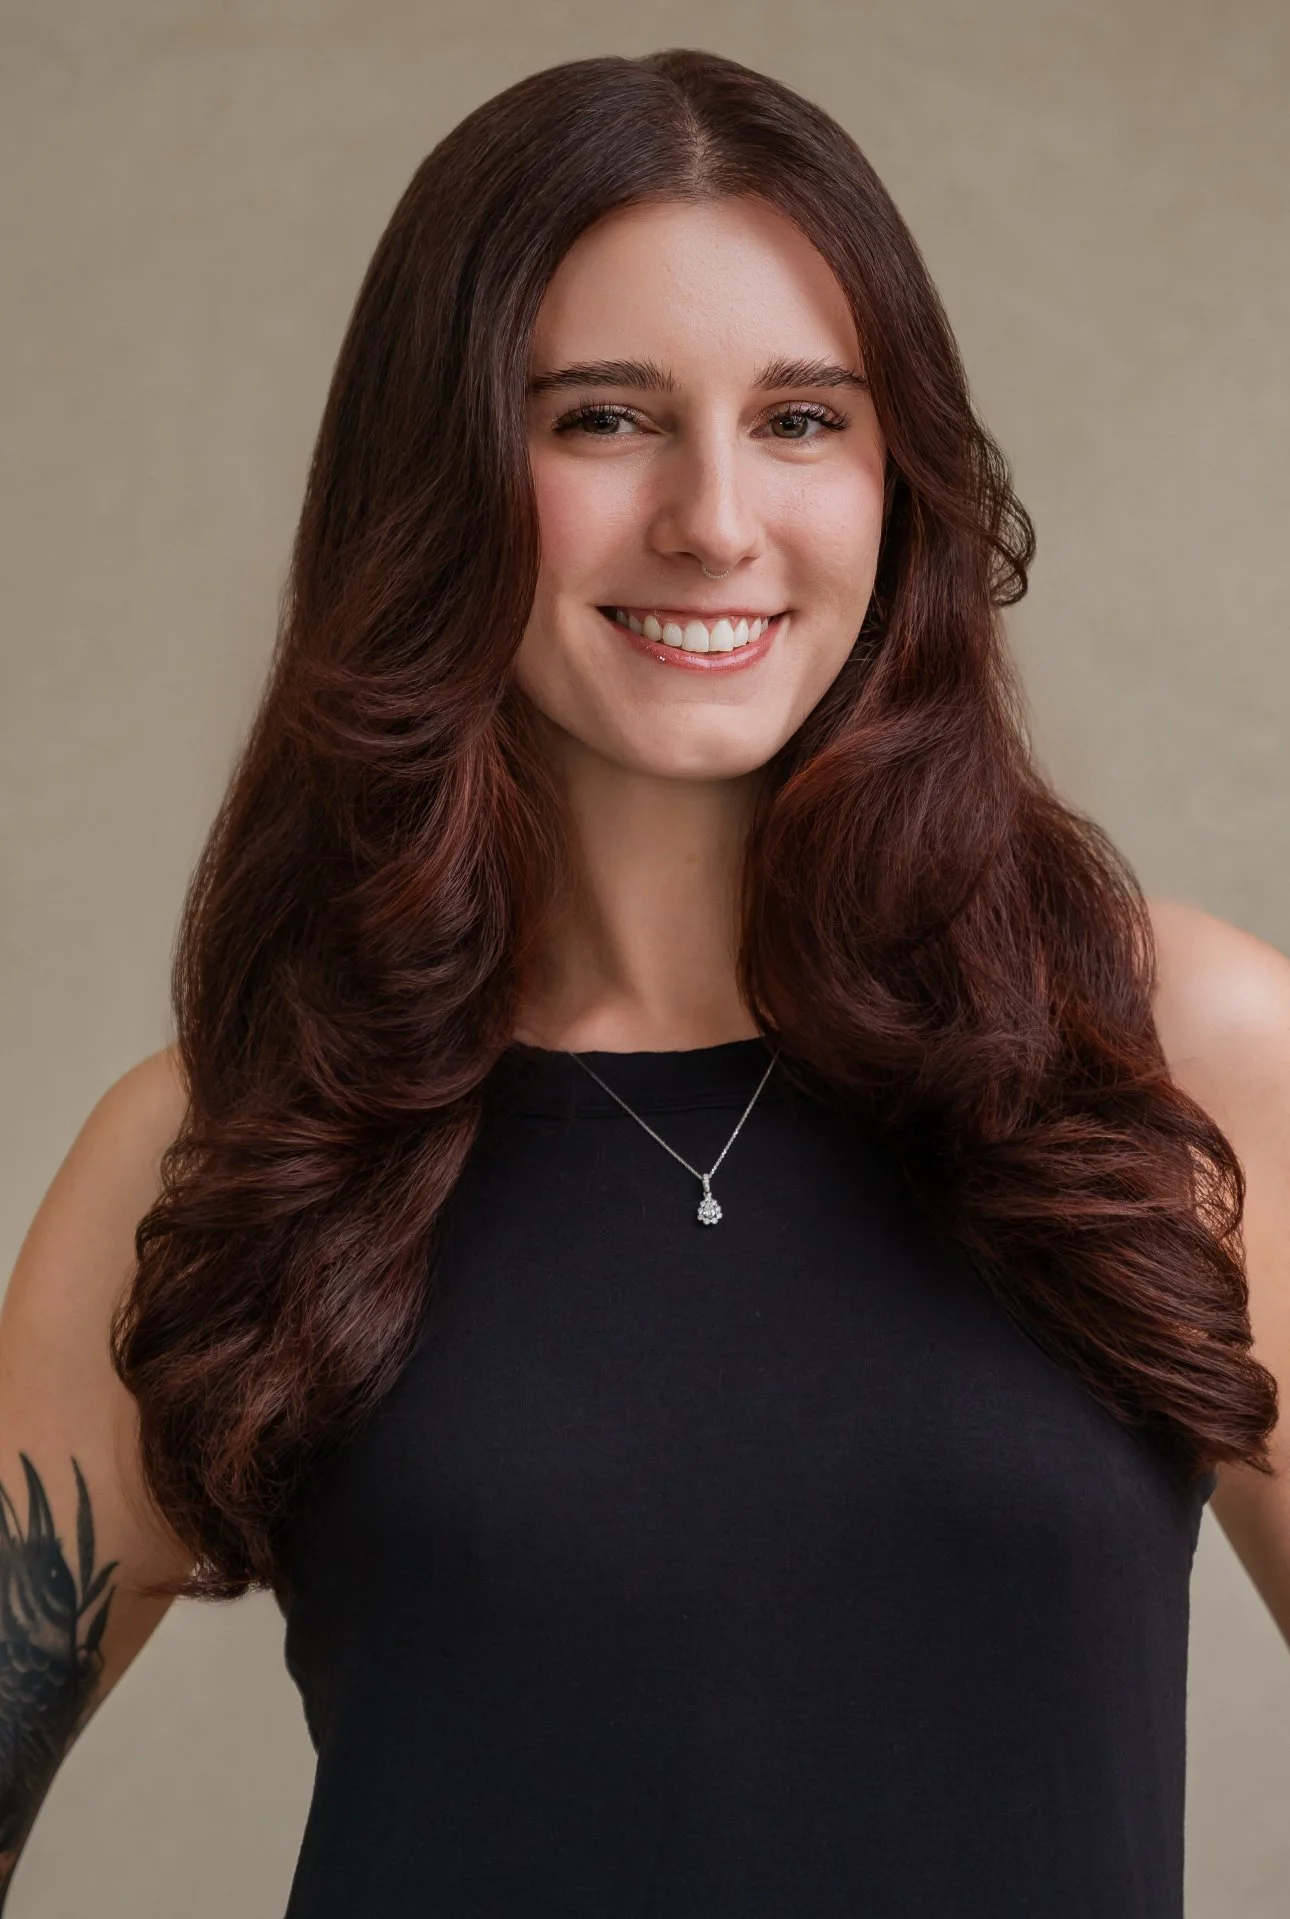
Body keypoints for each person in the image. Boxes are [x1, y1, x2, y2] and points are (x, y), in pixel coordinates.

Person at [1, 45, 1287, 1919]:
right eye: (600, 418)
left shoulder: (1174, 1054)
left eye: (800, 418)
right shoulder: (232, 1145)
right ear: (438, 477)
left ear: (895, 472)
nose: (710, 516)